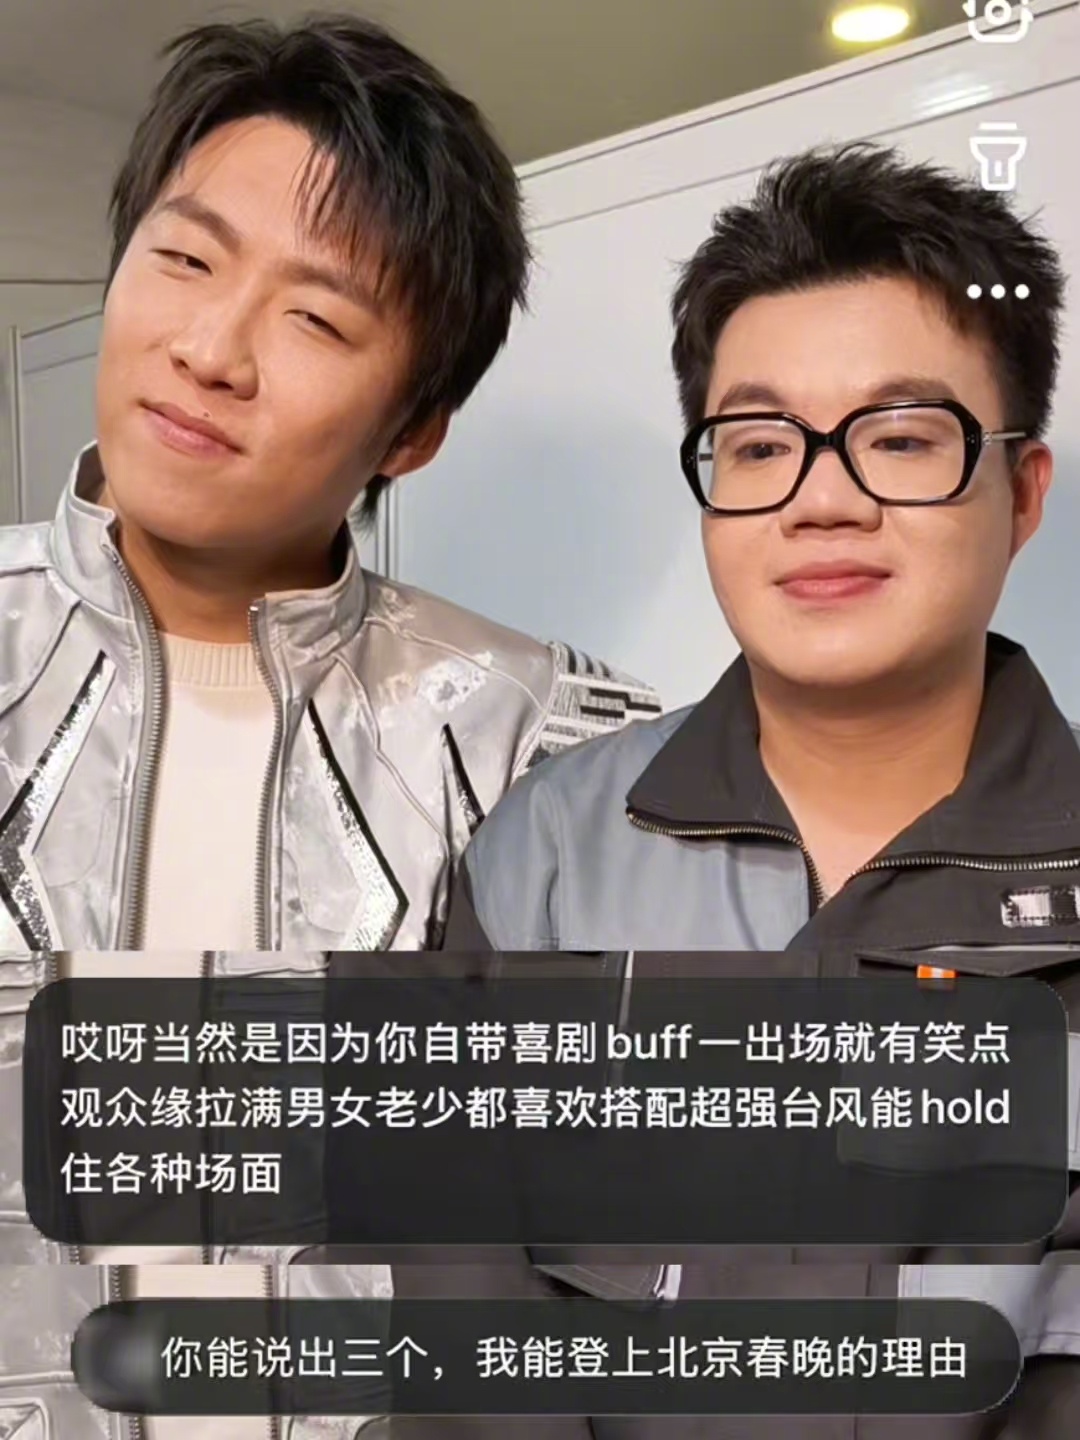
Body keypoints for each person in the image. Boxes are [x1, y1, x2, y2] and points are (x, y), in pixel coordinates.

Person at [0, 13, 658, 1440]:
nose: (210, 351)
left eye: (315, 319)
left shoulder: (551, 750)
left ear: (412, 429)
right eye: (185, 261)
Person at [439, 142, 1080, 1435]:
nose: (821, 500)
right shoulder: (540, 865)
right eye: (758, 445)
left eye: (901, 438)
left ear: (1021, 494)